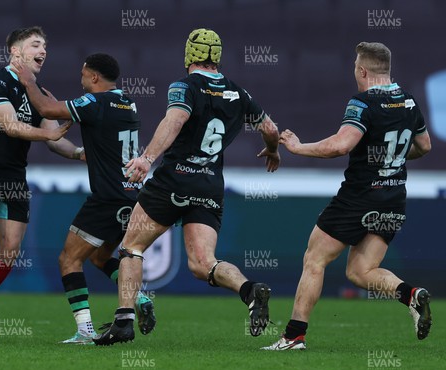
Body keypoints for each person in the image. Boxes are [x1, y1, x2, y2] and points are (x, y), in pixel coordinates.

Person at [93, 28, 281, 345]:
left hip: (174, 180)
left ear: (189, 55)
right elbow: (271, 128)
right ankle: (250, 290)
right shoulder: (239, 93)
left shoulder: (184, 86)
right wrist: (273, 149)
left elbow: (174, 120)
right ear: (217, 56)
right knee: (203, 263)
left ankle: (124, 323)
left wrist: (147, 158)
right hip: (209, 185)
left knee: (131, 248)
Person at [263, 42, 432, 351]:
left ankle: (293, 336)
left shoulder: (362, 102)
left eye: (355, 68)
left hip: (359, 197)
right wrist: (391, 162)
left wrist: (298, 147)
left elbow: (340, 145)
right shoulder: (408, 102)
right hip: (393, 198)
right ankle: (411, 294)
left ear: (362, 70)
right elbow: (424, 146)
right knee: (360, 271)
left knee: (315, 259)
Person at [11, 53, 156, 344]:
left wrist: (28, 82)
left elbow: (47, 109)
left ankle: (85, 331)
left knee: (69, 260)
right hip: (131, 196)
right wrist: (80, 151)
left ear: (94, 77)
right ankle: (138, 298)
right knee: (102, 258)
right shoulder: (127, 101)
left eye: (83, 74)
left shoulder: (95, 102)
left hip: (107, 198)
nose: (80, 79)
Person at [0, 26, 81, 342]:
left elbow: (56, 140)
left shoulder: (36, 92)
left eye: (45, 47)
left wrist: (82, 154)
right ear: (15, 51)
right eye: (35, 45)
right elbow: (10, 125)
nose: (43, 51)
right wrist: (48, 134)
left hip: (14, 175)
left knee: (10, 251)